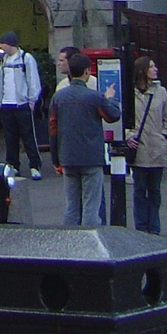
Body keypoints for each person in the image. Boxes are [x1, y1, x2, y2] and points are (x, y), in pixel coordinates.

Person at [49, 52, 120, 226]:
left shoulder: (58, 97)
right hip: (91, 158)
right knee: (91, 207)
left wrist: (56, 158)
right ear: (87, 72)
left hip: (68, 157)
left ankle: (71, 245)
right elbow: (113, 116)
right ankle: (90, 245)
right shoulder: (94, 97)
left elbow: (52, 129)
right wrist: (110, 98)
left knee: (71, 207)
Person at [126, 55, 167, 235]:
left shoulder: (161, 92)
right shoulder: (131, 93)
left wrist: (165, 134)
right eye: (152, 67)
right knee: (139, 191)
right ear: (142, 71)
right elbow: (124, 119)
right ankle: (141, 227)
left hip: (156, 148)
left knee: (154, 191)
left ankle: (154, 227)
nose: (156, 69)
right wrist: (129, 136)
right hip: (138, 149)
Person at [0, 32, 42, 179]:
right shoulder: (4, 60)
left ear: (10, 44)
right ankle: (13, 165)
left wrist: (32, 99)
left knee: (28, 136)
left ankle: (34, 165)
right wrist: (0, 100)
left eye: (3, 43)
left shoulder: (25, 59)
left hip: (22, 105)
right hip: (7, 106)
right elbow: (0, 80)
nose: (1, 46)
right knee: (10, 138)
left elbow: (33, 80)